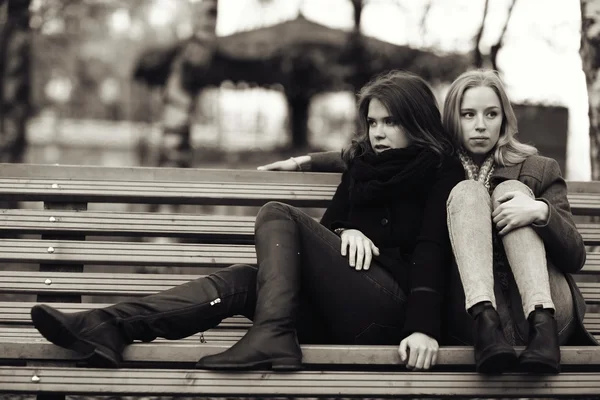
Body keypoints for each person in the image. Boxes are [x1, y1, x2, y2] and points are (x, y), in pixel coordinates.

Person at [30, 70, 464, 372]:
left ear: (416, 121)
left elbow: (432, 252)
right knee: (241, 281)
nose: (378, 133)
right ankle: (109, 325)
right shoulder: (362, 168)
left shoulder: (440, 170)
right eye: (372, 122)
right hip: (340, 312)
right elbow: (330, 229)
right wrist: (346, 230)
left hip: (392, 316)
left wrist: (423, 329)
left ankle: (273, 334)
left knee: (278, 213)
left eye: (391, 122)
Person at [261, 69, 597, 375]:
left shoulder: (539, 169)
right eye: (468, 114)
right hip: (472, 322)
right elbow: (371, 150)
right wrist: (305, 161)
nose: (480, 125)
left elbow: (575, 256)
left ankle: (542, 324)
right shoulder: (437, 166)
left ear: (505, 121)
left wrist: (541, 213)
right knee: (467, 192)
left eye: (491, 114)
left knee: (511, 189)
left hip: (551, 315)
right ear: (452, 120)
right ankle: (486, 321)